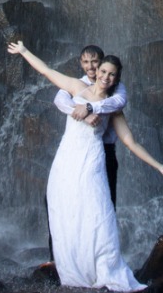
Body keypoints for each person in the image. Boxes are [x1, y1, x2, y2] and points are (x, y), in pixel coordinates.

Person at [7, 39, 163, 292]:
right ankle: (73, 269)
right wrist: (23, 51)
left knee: (98, 214)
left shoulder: (113, 107)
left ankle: (103, 268)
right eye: (103, 71)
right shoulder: (76, 87)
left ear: (116, 78)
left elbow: (130, 142)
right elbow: (46, 71)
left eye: (112, 74)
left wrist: (158, 165)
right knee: (66, 212)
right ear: (95, 72)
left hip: (91, 163)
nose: (106, 76)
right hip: (66, 161)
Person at [53, 43, 126, 207]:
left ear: (101, 63)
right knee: (59, 198)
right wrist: (81, 113)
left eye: (94, 61)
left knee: (105, 201)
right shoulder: (77, 83)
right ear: (80, 63)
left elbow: (119, 102)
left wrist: (90, 107)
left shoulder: (115, 85)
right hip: (75, 149)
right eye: (86, 62)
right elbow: (59, 100)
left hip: (104, 149)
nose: (90, 66)